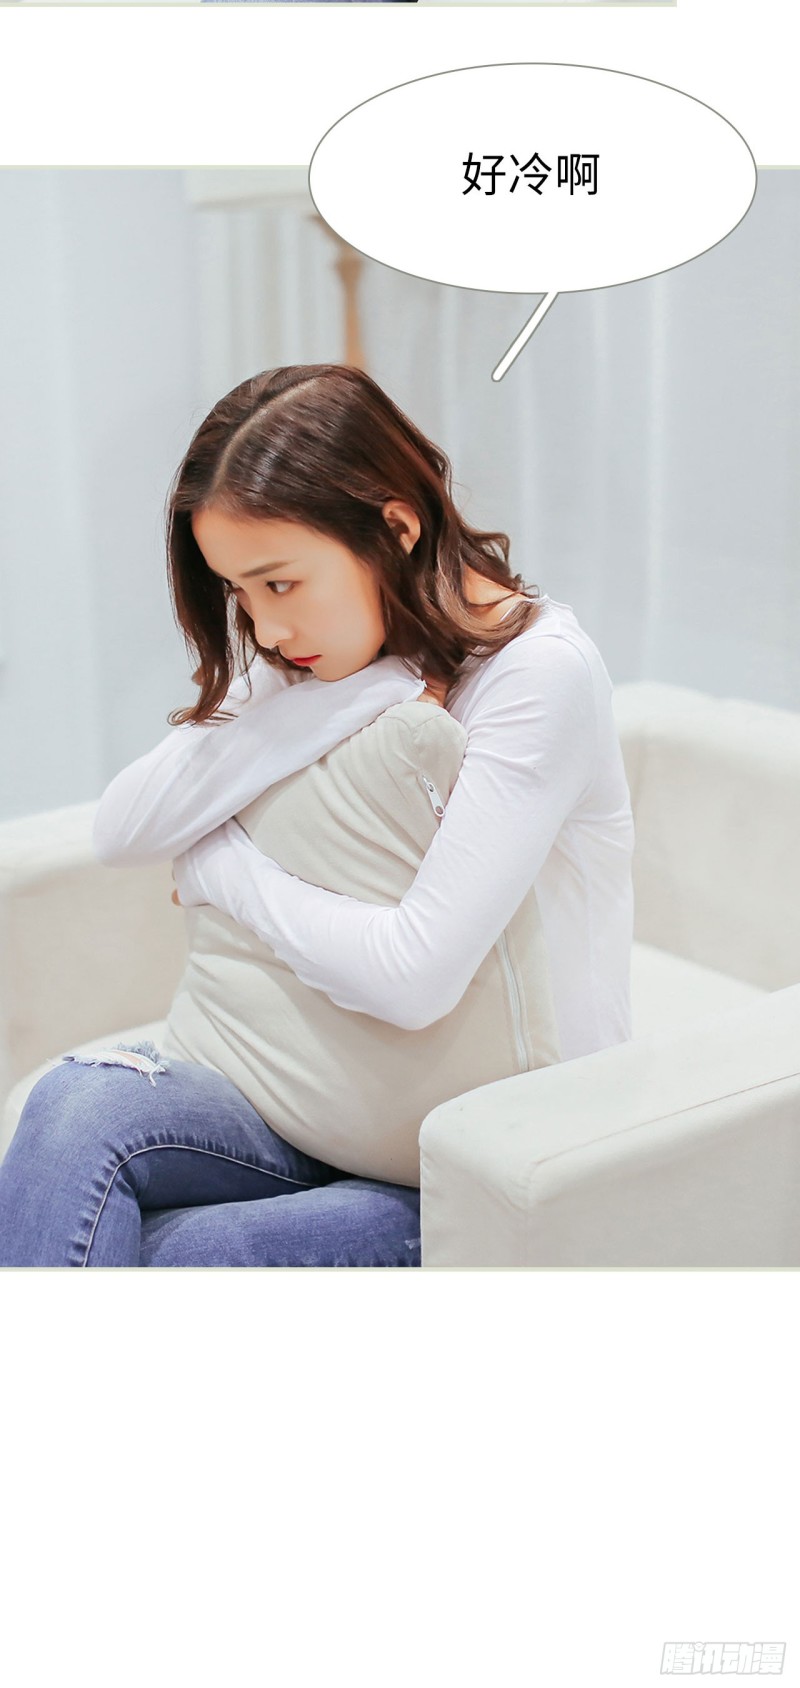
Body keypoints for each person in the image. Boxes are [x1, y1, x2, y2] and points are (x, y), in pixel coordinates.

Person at [0, 364, 633, 1268]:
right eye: (239, 592)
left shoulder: (538, 677)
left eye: (280, 584)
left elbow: (414, 975)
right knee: (71, 1106)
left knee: (188, 1254)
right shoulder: (333, 658)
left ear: (396, 528)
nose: (262, 629)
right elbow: (125, 829)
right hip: (314, 1095)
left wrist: (221, 870)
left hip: (485, 1150)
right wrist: (353, 694)